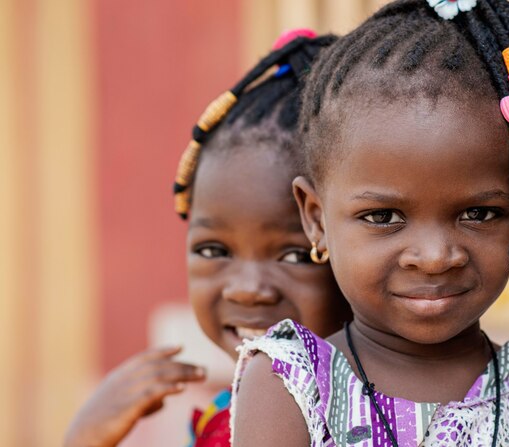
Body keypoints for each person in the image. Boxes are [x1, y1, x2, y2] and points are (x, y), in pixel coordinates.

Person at [231, 1, 509, 446]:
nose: (435, 257)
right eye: (383, 217)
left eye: (478, 214)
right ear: (316, 219)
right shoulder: (292, 386)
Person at [63, 30, 351, 447]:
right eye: (214, 249)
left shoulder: (371, 423)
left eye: (295, 255)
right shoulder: (222, 414)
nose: (247, 290)